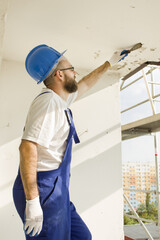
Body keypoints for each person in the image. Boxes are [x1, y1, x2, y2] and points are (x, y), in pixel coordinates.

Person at [12, 44, 128, 240]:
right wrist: (33, 201)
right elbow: (27, 147)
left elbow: (84, 84)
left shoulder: (59, 101)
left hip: (57, 189)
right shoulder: (48, 102)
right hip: (42, 190)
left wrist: (109, 63)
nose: (75, 72)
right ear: (59, 74)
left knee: (82, 236)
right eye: (71, 68)